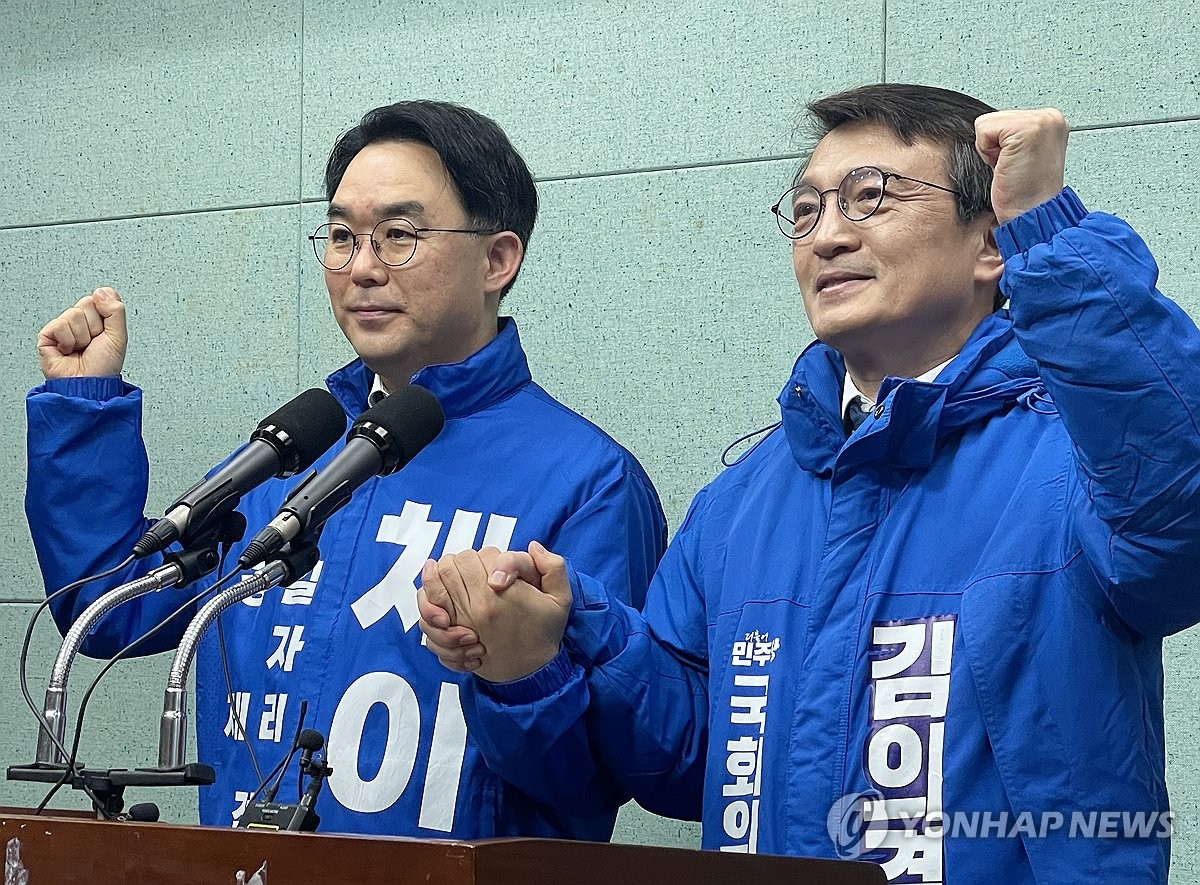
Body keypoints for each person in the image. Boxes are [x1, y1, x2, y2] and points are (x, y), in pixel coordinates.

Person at [418, 84, 1200, 882]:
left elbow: (1178, 523)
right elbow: (688, 758)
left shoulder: (1078, 457)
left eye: (871, 198)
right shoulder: (741, 500)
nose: (827, 236)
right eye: (805, 211)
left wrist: (1050, 231)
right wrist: (565, 634)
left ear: (991, 245)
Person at [27, 100, 666, 839]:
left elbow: (600, 776)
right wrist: (82, 405)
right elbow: (110, 607)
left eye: (397, 235)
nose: (361, 267)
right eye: (340, 236)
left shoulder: (588, 480)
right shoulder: (289, 453)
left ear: (497, 259)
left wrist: (521, 672)